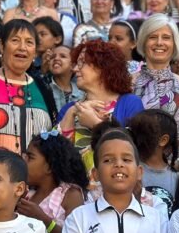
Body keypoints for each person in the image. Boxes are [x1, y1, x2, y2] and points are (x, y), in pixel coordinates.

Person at [0, 19, 56, 208]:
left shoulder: (43, 87)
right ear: (1, 45)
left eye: (29, 42)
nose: (22, 47)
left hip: (32, 196)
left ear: (35, 52)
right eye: (15, 40)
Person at [58, 40, 143, 172]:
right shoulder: (68, 109)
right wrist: (70, 114)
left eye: (82, 62)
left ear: (103, 67)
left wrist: (96, 125)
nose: (75, 69)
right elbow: (56, 155)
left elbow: (133, 149)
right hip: (74, 190)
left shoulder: (130, 103)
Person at [134, 14, 179, 156]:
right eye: (153, 37)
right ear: (143, 42)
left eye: (166, 37)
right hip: (134, 168)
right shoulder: (129, 83)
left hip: (175, 169)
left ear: (175, 43)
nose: (159, 42)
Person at [127, 109, 179, 210]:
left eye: (144, 132)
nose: (136, 136)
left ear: (163, 140)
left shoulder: (176, 177)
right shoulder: (129, 169)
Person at [48, 45, 84, 111]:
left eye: (63, 56)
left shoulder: (82, 94)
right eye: (52, 57)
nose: (56, 59)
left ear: (73, 65)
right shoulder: (44, 89)